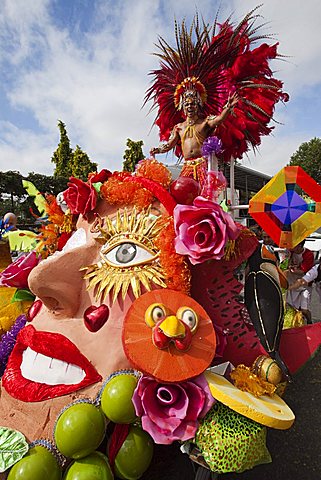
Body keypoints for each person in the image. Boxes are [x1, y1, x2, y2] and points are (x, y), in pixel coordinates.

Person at [150, 90, 239, 185]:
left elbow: (219, 119)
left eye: (192, 104)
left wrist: (228, 107)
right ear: (182, 107)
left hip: (202, 166)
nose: (189, 107)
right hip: (187, 167)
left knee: (204, 195)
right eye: (187, 104)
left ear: (197, 106)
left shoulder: (205, 122)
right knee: (183, 193)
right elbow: (169, 145)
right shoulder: (178, 127)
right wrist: (158, 150)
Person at [286, 240, 315, 323]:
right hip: (292, 282)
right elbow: (286, 263)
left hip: (304, 284)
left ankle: (309, 321)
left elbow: (303, 271)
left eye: (294, 245)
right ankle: (296, 324)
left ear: (300, 246)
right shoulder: (290, 252)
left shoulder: (308, 254)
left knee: (304, 309)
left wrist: (292, 270)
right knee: (292, 307)